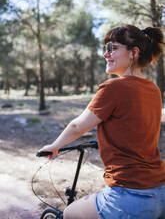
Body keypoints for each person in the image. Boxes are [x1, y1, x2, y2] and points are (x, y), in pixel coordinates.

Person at [38, 24, 165, 219]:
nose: (106, 54)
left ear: (134, 53)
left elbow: (77, 126)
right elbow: (137, 128)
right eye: (105, 48)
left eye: (112, 48)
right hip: (159, 190)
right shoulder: (154, 90)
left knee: (70, 213)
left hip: (129, 194)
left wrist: (55, 146)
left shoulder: (114, 87)